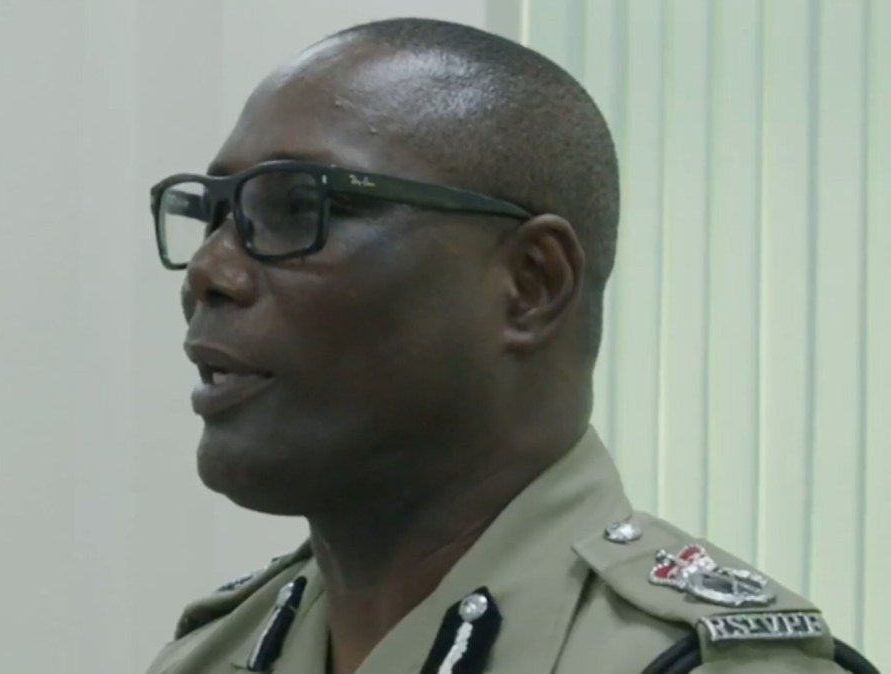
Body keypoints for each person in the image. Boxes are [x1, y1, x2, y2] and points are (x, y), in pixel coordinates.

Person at [142, 17, 879, 674]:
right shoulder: (208, 656)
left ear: (531, 283)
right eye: (213, 216)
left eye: (299, 206)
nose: (208, 271)